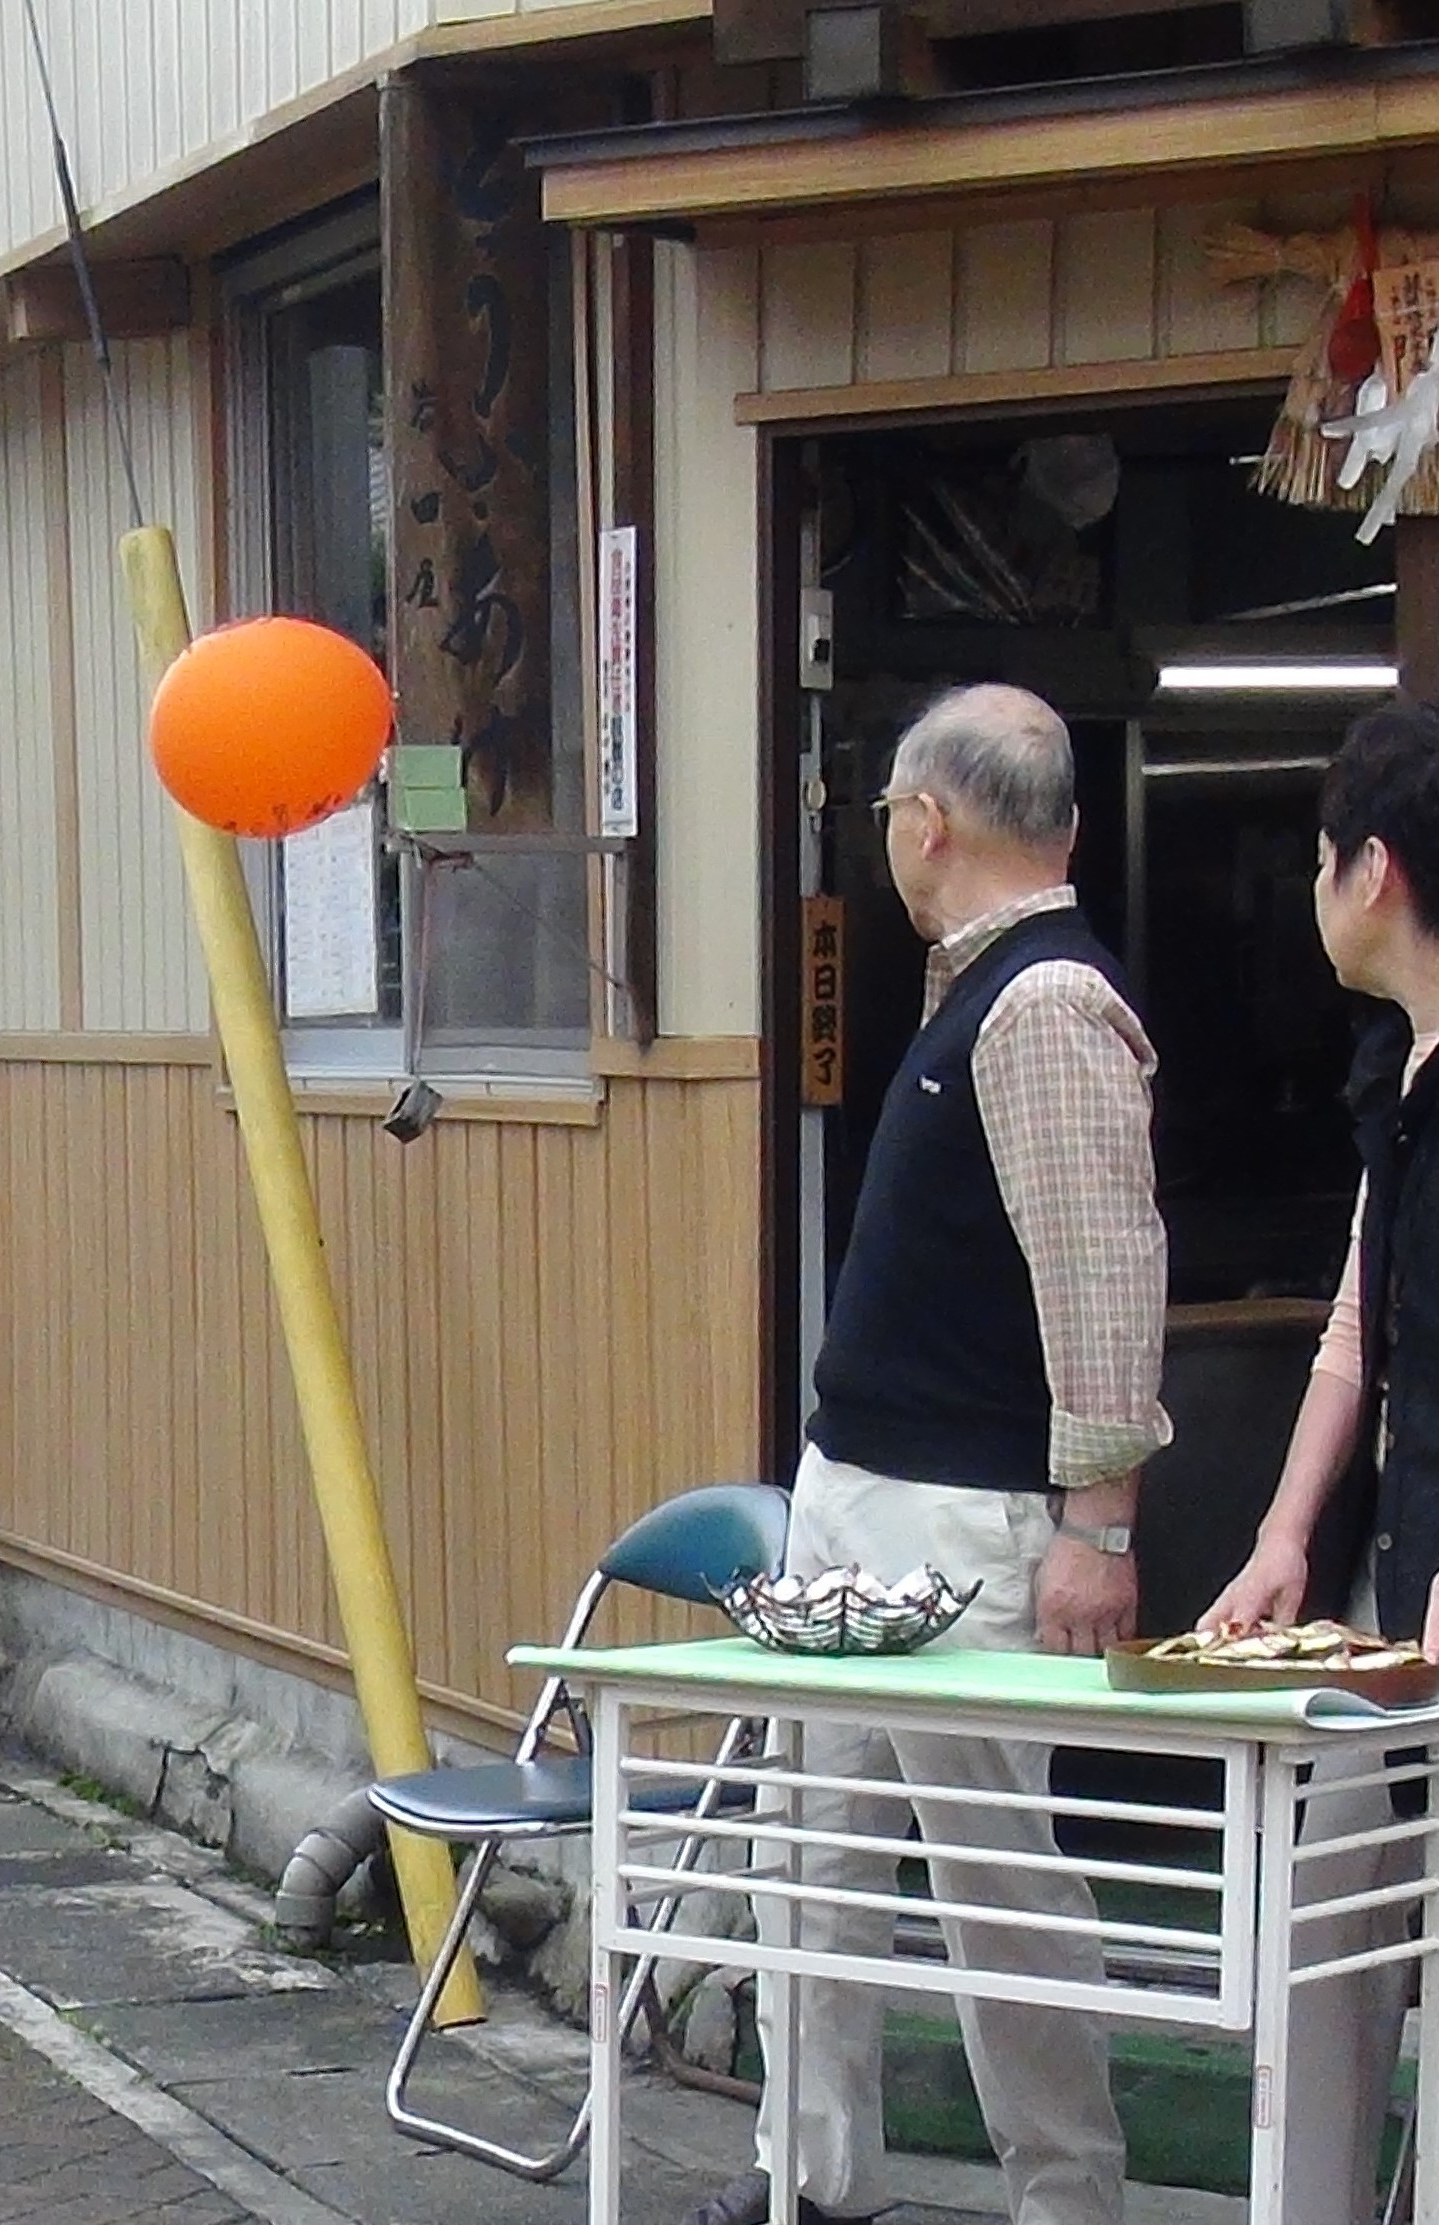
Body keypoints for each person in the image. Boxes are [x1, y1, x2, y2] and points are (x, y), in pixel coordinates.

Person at [686, 685, 1165, 2225]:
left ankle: (1068, 2200)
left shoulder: (1046, 1000)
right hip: (863, 1483)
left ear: (925, 821)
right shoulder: (974, 986)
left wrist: (1100, 1519)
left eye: (888, 809)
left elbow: (1105, 1275)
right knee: (811, 1852)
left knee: (994, 1884)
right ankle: (811, 2184)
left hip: (965, 1513)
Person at [1199, 699, 1439, 2225]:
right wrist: (1286, 1531)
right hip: (1388, 1596)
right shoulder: (1391, 1067)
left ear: (1375, 871)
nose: (1311, 890)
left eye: (1319, 857)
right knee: (1325, 1932)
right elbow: (1359, 1323)